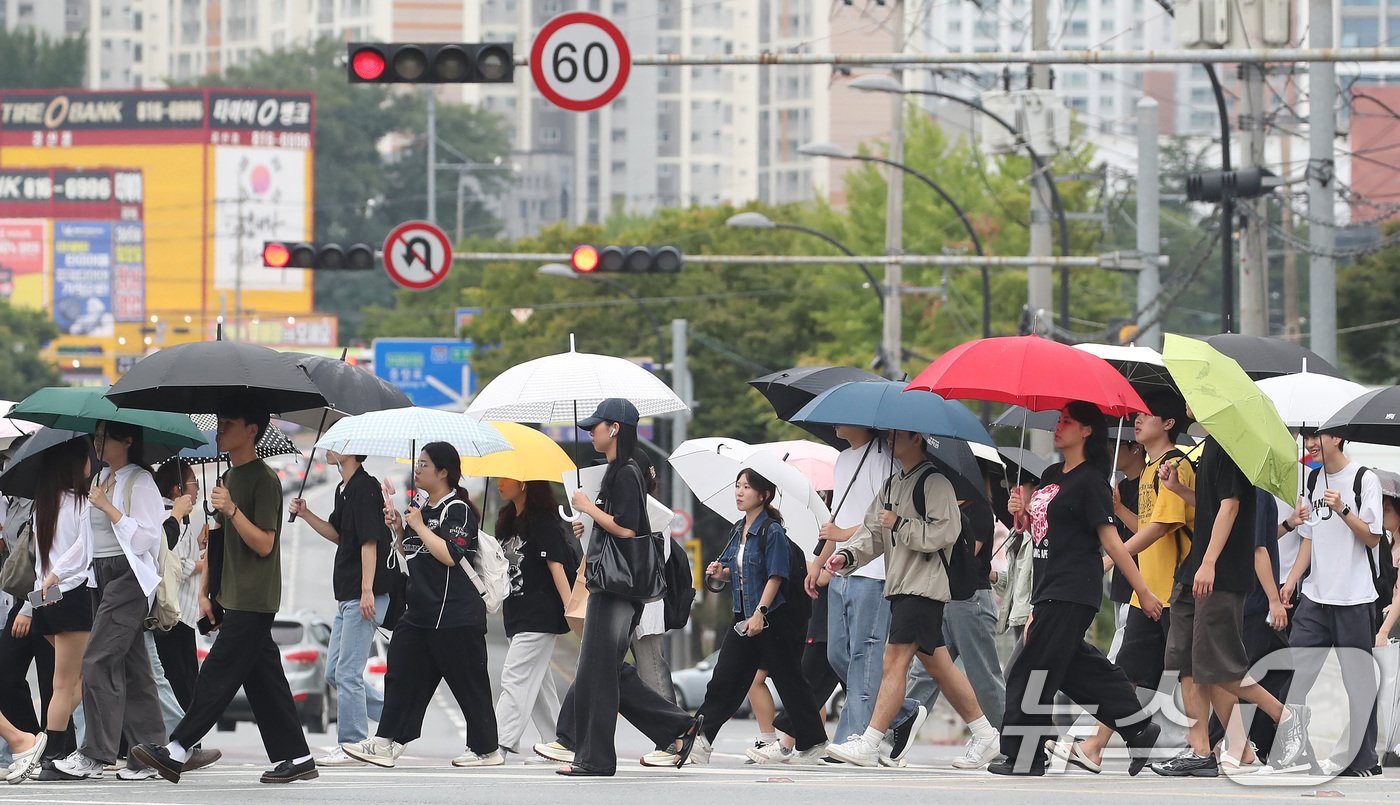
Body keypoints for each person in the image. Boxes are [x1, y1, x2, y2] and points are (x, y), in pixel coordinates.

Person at [131, 393, 316, 785]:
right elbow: (216, 540)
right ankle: (297, 756)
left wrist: (232, 510)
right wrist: (206, 593)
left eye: (228, 422)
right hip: (232, 595)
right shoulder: (227, 479)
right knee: (265, 679)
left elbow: (265, 543)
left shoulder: (264, 480)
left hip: (255, 597)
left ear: (252, 429)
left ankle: (177, 749)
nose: (220, 428)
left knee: (216, 673)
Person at [991, 403, 1164, 777]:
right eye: (1059, 420)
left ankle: (1026, 755)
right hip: (1048, 586)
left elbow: (1113, 543)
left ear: (1087, 431)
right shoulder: (1054, 473)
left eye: (1067, 421)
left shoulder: (1092, 482)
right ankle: (1136, 726)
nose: (1058, 426)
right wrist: (1019, 510)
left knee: (1028, 668)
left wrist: (1144, 592)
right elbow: (1041, 531)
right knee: (1072, 668)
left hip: (1073, 588)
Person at [534, 398, 700, 777]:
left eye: (597, 426)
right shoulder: (616, 471)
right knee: (605, 669)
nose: (590, 432)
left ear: (616, 429)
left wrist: (588, 507)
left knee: (598, 671)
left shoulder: (626, 472)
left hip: (618, 588)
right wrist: (588, 523)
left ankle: (594, 758)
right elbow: (616, 526)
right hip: (613, 585)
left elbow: (629, 529)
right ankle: (677, 726)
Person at [824, 429, 999, 770]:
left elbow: (943, 533)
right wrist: (846, 556)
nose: (889, 441)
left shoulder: (935, 483)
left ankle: (871, 741)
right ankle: (985, 733)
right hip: (901, 585)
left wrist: (900, 522)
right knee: (940, 667)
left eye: (897, 436)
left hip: (924, 587)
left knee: (894, 661)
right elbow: (872, 533)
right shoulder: (891, 485)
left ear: (917, 439)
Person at [1149, 428, 1310, 778]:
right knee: (1189, 663)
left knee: (1220, 666)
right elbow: (1210, 505)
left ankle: (1285, 715)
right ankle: (1206, 750)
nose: (1188, 400)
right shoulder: (1208, 448)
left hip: (1218, 574)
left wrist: (1209, 562)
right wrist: (1178, 489)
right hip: (1193, 572)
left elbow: (1231, 506)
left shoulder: (1233, 444)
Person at [1056, 394, 1194, 771]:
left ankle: (1215, 748)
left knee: (1194, 674)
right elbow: (1147, 527)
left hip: (1174, 590)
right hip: (1147, 592)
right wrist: (1119, 510)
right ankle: (1096, 746)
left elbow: (1165, 526)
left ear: (1168, 424)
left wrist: (1110, 557)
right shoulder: (1150, 470)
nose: (1137, 419)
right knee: (1126, 672)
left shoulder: (1174, 465)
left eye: (1146, 414)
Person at [341, 442, 500, 768]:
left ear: (443, 472)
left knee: (469, 684)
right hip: (421, 611)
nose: (418, 469)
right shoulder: (422, 508)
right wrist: (399, 527)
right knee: (400, 674)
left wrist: (417, 526)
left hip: (455, 613)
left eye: (425, 464)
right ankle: (387, 741)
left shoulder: (458, 509)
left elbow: (451, 556)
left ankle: (487, 750)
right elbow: (412, 554)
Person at [659, 468, 828, 766]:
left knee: (789, 681)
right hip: (744, 618)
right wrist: (720, 574)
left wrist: (760, 613)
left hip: (771, 618)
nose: (739, 492)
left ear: (763, 495)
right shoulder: (738, 529)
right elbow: (735, 573)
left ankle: (813, 741)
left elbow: (777, 575)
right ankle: (703, 739)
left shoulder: (772, 531)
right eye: (737, 486)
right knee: (725, 677)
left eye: (746, 487)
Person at [52, 422, 165, 782]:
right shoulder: (101, 477)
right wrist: (58, 572)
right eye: (96, 438)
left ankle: (95, 754)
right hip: (101, 576)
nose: (97, 444)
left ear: (128, 440)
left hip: (130, 578)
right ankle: (151, 752)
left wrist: (110, 508)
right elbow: (88, 541)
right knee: (133, 667)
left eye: (105, 437)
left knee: (97, 659)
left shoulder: (140, 482)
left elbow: (147, 539)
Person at [808, 425, 921, 763]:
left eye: (844, 418)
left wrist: (842, 534)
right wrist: (818, 563)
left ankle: (853, 736)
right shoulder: (843, 460)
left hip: (873, 572)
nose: (836, 423)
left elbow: (881, 521)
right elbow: (836, 520)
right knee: (838, 655)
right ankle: (902, 711)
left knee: (864, 657)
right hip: (841, 569)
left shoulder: (883, 460)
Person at [1276, 429, 1384, 777]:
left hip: (1354, 596)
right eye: (1306, 437)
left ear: (1337, 438)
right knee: (1294, 674)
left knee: (1358, 682)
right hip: (1315, 597)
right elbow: (1309, 537)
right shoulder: (1311, 478)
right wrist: (1292, 580)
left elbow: (1371, 537)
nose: (1309, 443)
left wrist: (1343, 508)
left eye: (1316, 437)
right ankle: (1296, 751)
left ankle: (1362, 758)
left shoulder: (1365, 479)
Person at [288, 451, 393, 767]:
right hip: (346, 594)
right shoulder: (343, 488)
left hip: (362, 595)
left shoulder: (365, 487)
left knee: (348, 673)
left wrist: (367, 591)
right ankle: (395, 719)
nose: (327, 448)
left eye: (335, 442)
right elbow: (340, 535)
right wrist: (307, 515)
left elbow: (370, 542)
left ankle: (353, 743)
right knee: (334, 672)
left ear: (350, 450)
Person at [25, 436, 93, 782]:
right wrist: (58, 577)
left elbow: (38, 559)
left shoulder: (44, 503)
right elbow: (83, 553)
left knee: (72, 680)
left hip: (42, 600)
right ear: (77, 464)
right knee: (69, 684)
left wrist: (43, 587)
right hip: (69, 595)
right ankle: (51, 755)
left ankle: (56, 751)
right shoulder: (83, 504)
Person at [492, 476, 572, 758]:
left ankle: (496, 744)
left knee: (514, 677)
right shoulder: (506, 520)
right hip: (516, 613)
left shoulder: (544, 523)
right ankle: (560, 742)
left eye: (506, 478)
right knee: (537, 684)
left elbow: (557, 567)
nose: (500, 483)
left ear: (524, 484)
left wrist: (571, 611)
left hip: (540, 614)